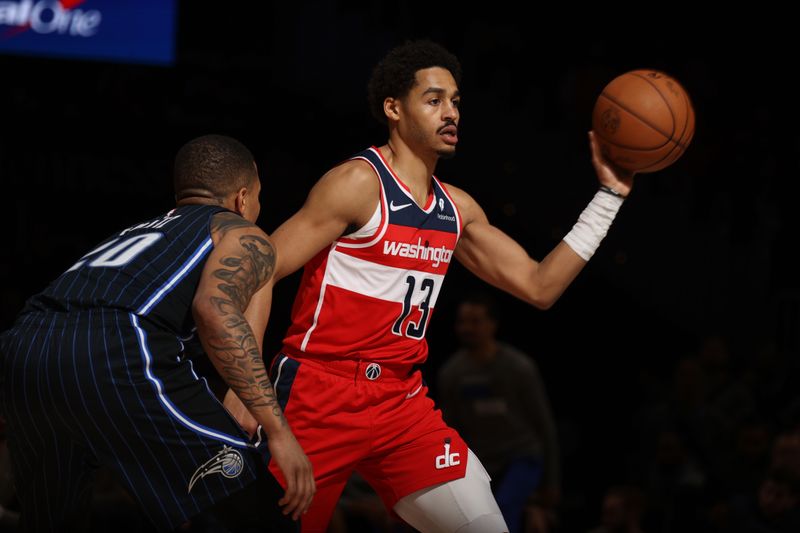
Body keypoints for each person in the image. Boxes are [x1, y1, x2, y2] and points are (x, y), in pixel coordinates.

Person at [228, 39, 634, 533]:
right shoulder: (358, 183)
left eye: (457, 101)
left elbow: (538, 285)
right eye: (434, 99)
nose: (451, 113)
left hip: (400, 401)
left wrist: (610, 196)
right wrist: (242, 386)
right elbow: (257, 270)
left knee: (486, 526)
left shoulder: (456, 209)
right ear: (393, 109)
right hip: (318, 393)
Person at [0, 134, 314, 532]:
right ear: (243, 197)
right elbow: (214, 310)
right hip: (113, 348)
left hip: (24, 349)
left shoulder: (134, 234)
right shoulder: (241, 231)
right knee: (263, 516)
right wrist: (278, 431)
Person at [438, 293, 560, 533]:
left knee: (505, 507)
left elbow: (544, 425)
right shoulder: (451, 373)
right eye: (462, 322)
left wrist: (552, 482)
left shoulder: (519, 367)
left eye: (475, 321)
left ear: (492, 324)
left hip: (521, 457)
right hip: (480, 462)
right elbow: (448, 429)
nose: (467, 328)